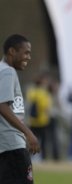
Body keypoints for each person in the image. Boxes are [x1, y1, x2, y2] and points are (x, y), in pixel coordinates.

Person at [0, 34, 40, 184]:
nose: (28, 57)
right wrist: (28, 133)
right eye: (26, 52)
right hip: (12, 146)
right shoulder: (7, 72)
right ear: (12, 51)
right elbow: (2, 105)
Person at [26, 72, 52, 161]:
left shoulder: (32, 91)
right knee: (43, 141)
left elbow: (29, 101)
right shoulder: (44, 93)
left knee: (31, 140)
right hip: (42, 121)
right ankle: (42, 158)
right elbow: (46, 107)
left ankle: (30, 156)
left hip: (32, 120)